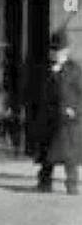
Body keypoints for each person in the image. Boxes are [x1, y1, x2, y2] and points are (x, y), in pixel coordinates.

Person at [32, 31, 81, 195]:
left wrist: (75, 109)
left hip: (69, 121)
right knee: (47, 153)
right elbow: (36, 93)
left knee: (70, 156)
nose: (55, 54)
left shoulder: (74, 70)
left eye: (58, 51)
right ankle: (44, 182)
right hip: (49, 119)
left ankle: (72, 184)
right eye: (53, 50)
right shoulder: (44, 70)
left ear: (66, 51)